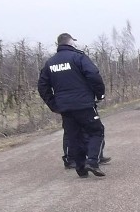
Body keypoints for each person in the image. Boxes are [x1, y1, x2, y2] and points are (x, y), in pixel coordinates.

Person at [38, 33, 107, 178]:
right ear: (71, 43)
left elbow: (42, 86)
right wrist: (100, 94)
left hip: (65, 108)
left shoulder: (50, 63)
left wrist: (54, 105)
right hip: (84, 104)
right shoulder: (78, 57)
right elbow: (93, 75)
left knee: (74, 136)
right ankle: (93, 161)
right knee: (96, 131)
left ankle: (80, 168)